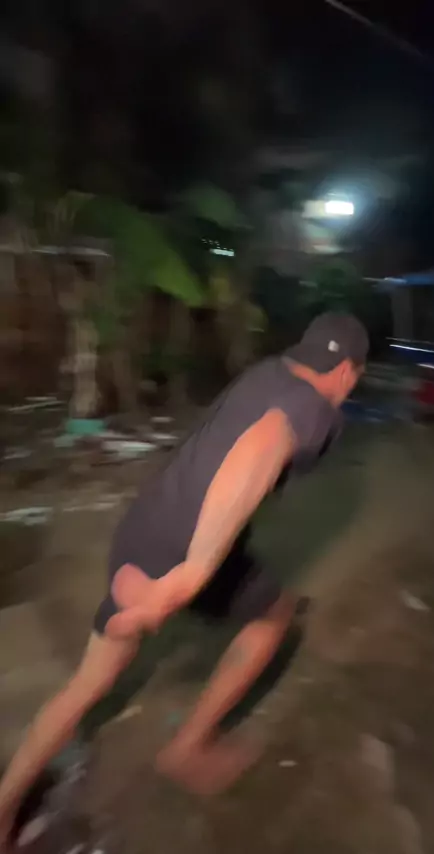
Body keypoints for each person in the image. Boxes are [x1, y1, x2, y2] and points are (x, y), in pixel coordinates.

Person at [0, 312, 368, 840]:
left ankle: (3, 809)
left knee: (87, 684)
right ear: (348, 372)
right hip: (182, 555)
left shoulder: (270, 371)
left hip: (142, 534)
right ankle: (186, 748)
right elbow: (261, 446)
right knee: (273, 618)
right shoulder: (314, 408)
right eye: (354, 378)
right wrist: (190, 575)